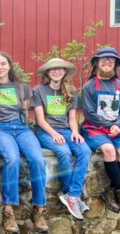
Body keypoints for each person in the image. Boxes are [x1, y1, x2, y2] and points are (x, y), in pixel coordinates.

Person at [0, 52, 48, 234]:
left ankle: (39, 210)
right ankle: (8, 211)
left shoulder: (22, 86)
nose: (0, 67)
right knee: (12, 159)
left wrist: (26, 129)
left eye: (3, 63)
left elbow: (24, 111)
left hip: (20, 128)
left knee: (37, 160)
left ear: (9, 65)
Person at [31, 58, 91, 221]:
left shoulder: (71, 90)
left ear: (65, 72)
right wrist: (54, 134)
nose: (56, 71)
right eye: (53, 69)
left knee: (84, 150)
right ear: (47, 73)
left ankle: (73, 195)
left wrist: (75, 132)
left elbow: (72, 118)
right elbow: (40, 120)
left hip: (65, 130)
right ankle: (68, 192)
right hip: (45, 131)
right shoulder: (39, 90)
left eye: (60, 69)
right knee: (64, 152)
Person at [81, 47, 120, 215]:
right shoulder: (88, 87)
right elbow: (89, 113)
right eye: (103, 59)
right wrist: (108, 125)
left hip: (116, 129)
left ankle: (111, 190)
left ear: (115, 64)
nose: (107, 62)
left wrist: (118, 125)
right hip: (95, 128)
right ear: (96, 63)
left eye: (111, 60)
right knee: (109, 149)